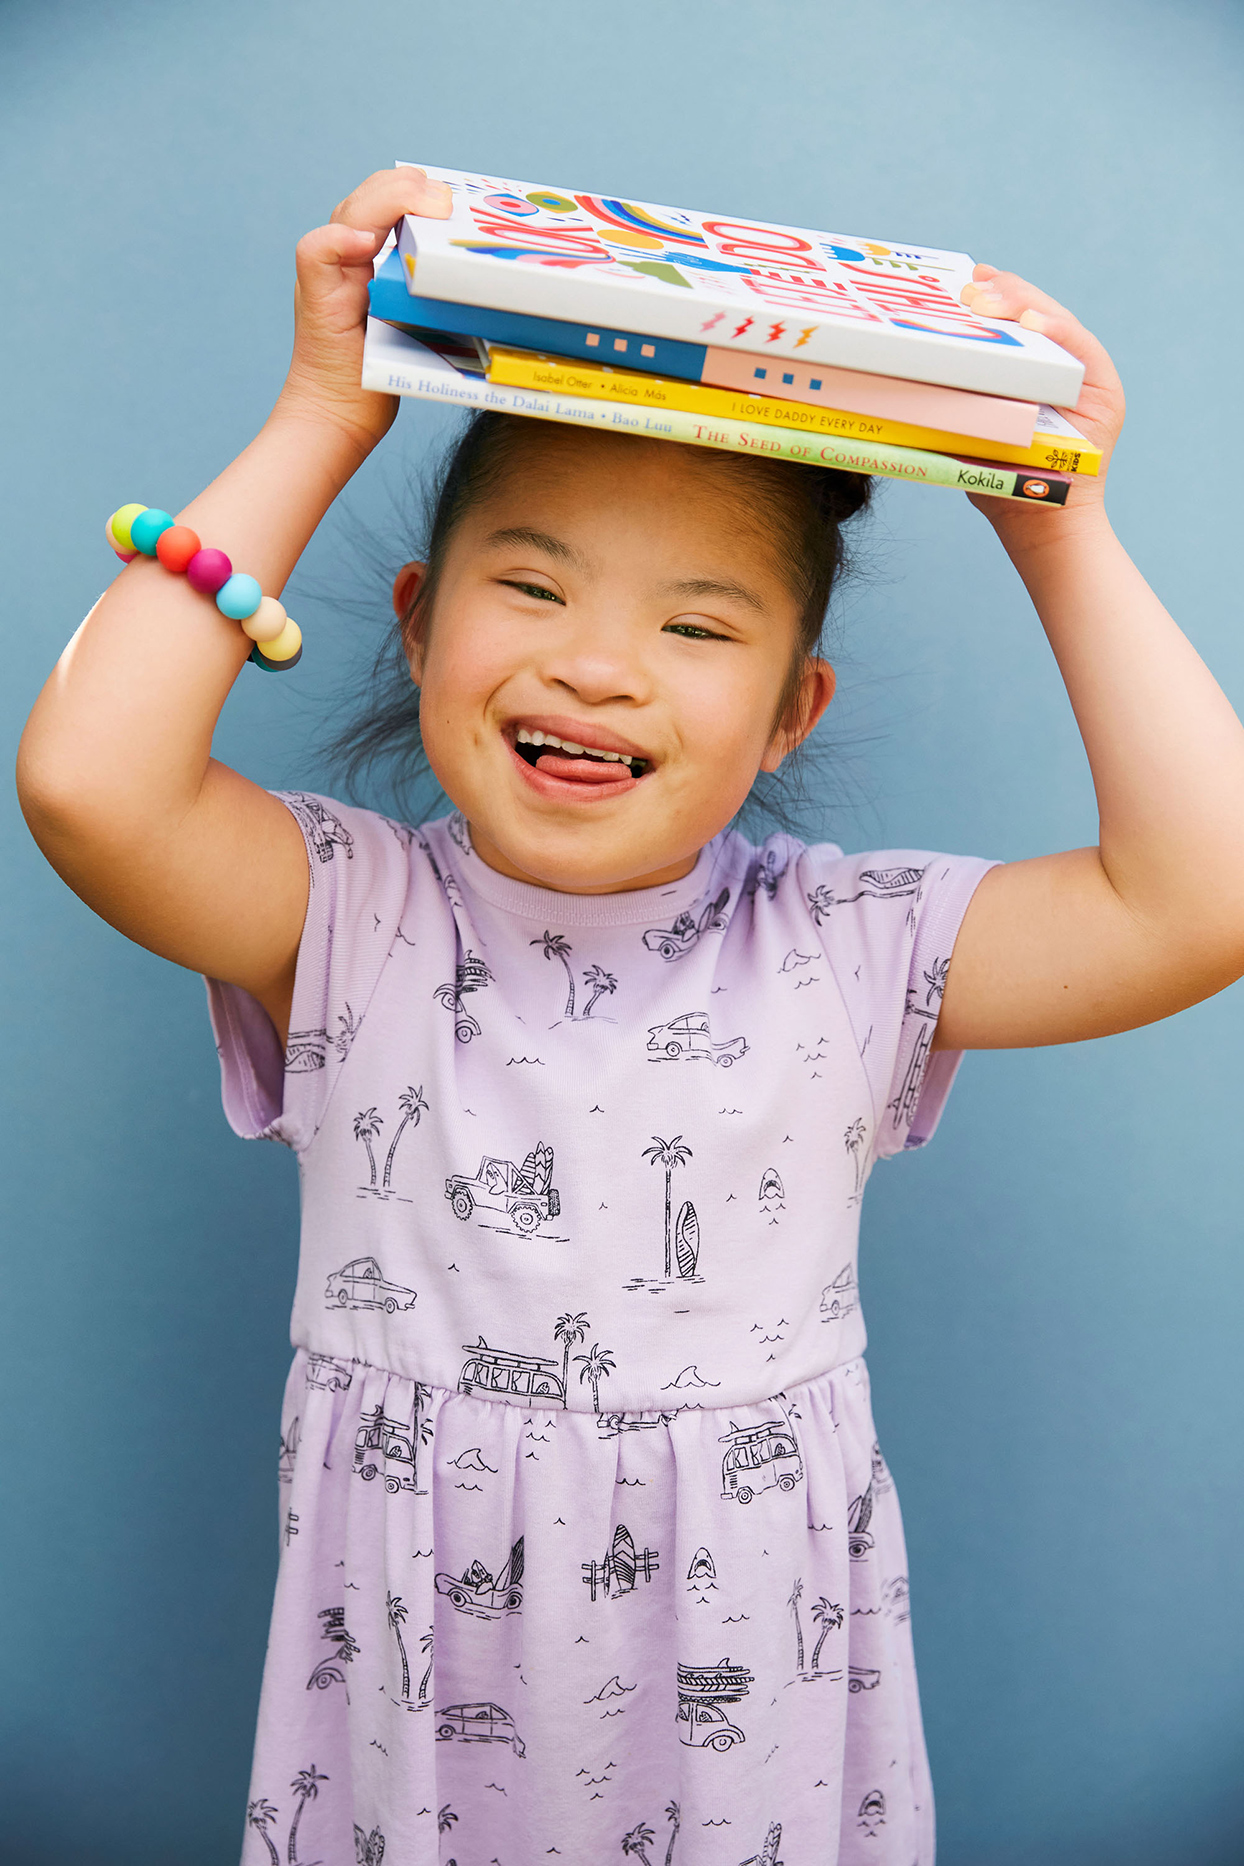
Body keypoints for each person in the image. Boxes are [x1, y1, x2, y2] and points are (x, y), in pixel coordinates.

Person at [16, 166, 1244, 1866]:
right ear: (421, 622)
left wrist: (1056, 519)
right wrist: (326, 411)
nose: (601, 666)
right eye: (533, 589)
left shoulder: (847, 946)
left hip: (739, 1704)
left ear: (790, 713)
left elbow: (1205, 895)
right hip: (415, 1703)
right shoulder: (351, 916)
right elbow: (88, 782)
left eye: (693, 625)